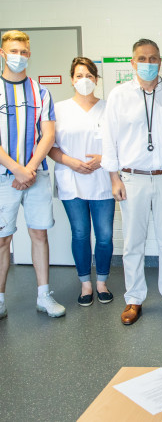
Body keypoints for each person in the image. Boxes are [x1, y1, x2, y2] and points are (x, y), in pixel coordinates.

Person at [102, 38, 162, 325]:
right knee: (133, 242)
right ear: (132, 62)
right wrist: (114, 177)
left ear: (160, 62)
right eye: (142, 58)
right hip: (132, 178)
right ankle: (134, 298)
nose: (147, 63)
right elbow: (109, 139)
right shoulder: (119, 96)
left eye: (153, 58)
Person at [0, 30, 64, 319]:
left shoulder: (41, 92)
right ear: (3, 53)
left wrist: (30, 169)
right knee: (2, 240)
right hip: (4, 178)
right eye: (14, 51)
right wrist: (16, 169)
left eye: (24, 52)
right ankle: (0, 300)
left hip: (36, 176)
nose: (19, 56)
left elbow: (48, 135)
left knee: (39, 234)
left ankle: (43, 296)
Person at [49, 57, 115, 307]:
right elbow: (50, 147)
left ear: (96, 80)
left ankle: (102, 282)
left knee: (105, 236)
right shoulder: (59, 108)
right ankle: (86, 283)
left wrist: (103, 158)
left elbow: (119, 143)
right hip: (71, 179)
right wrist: (69, 161)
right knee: (80, 233)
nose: (84, 80)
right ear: (71, 79)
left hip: (103, 179)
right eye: (79, 76)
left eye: (89, 75)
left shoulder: (109, 108)